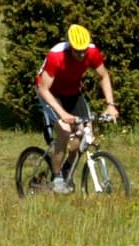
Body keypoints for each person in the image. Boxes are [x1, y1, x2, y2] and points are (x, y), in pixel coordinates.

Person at [31, 23, 118, 192]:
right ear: (70, 46)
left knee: (85, 135)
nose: (82, 54)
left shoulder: (92, 52)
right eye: (77, 51)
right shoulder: (56, 56)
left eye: (84, 50)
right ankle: (56, 178)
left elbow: (103, 76)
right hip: (50, 93)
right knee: (64, 132)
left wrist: (110, 105)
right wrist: (62, 113)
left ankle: (66, 169)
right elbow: (43, 88)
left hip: (72, 92)